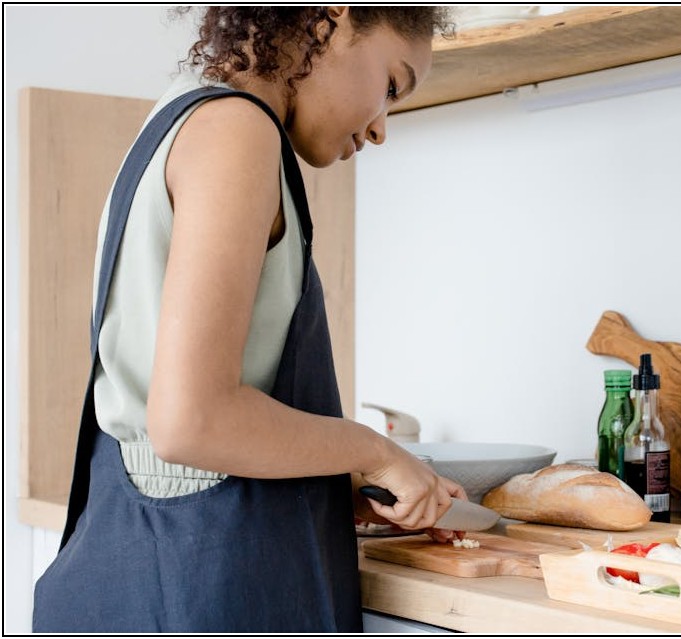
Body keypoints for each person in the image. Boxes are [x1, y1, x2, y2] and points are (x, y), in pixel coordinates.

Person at [32, 6, 460, 633]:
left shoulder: (182, 114)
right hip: (201, 577)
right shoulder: (237, 131)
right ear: (330, 20)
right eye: (392, 85)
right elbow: (191, 421)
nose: (381, 128)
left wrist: (327, 486)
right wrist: (375, 452)